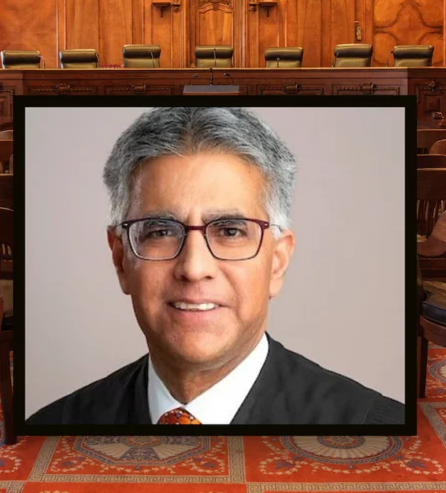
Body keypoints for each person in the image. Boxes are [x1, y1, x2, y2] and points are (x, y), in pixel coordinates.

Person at [28, 107, 405, 425]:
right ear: (120, 258)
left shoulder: (376, 429)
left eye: (229, 230)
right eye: (160, 230)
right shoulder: (53, 427)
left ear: (277, 261)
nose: (193, 267)